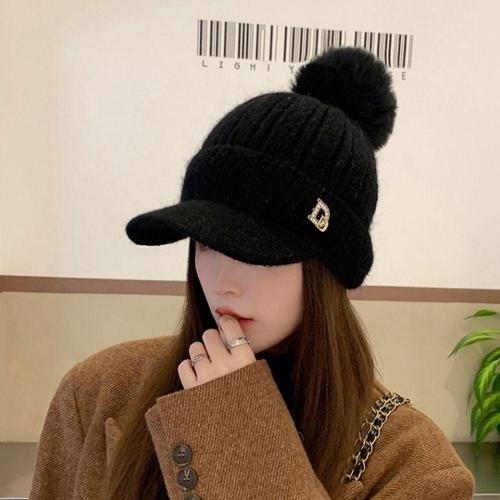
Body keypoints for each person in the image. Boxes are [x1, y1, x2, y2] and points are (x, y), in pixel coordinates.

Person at [29, 46, 475, 499]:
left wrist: (241, 437)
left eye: (256, 250)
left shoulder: (414, 467)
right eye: (206, 242)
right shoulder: (98, 392)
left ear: (327, 267)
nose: (223, 282)